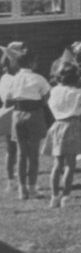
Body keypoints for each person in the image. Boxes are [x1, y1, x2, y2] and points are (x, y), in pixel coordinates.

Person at [42, 63, 81, 208]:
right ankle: (65, 196)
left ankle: (54, 197)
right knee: (70, 165)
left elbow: (50, 104)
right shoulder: (77, 92)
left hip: (57, 125)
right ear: (76, 78)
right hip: (72, 125)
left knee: (57, 164)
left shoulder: (54, 91)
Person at [4, 49, 51, 200]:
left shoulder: (14, 79)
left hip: (17, 115)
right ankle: (32, 188)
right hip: (33, 114)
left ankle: (21, 189)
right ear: (32, 63)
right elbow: (46, 99)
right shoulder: (39, 78)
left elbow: (6, 101)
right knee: (33, 154)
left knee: (21, 153)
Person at [0, 42, 25, 192]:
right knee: (14, 149)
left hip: (14, 113)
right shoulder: (8, 79)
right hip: (12, 113)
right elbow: (9, 98)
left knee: (16, 149)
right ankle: (12, 180)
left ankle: (16, 179)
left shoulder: (9, 78)